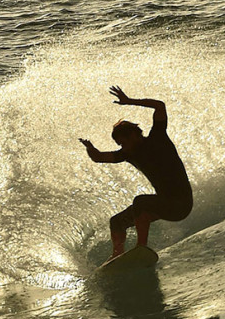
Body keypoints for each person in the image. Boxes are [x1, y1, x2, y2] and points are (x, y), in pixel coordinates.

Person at [79, 87, 194, 260]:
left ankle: (141, 247)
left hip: (181, 204)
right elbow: (98, 157)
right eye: (118, 144)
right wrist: (90, 148)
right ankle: (117, 256)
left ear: (133, 135)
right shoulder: (128, 154)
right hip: (164, 206)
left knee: (140, 202)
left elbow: (160, 106)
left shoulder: (158, 138)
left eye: (122, 142)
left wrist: (129, 101)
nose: (121, 147)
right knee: (116, 222)